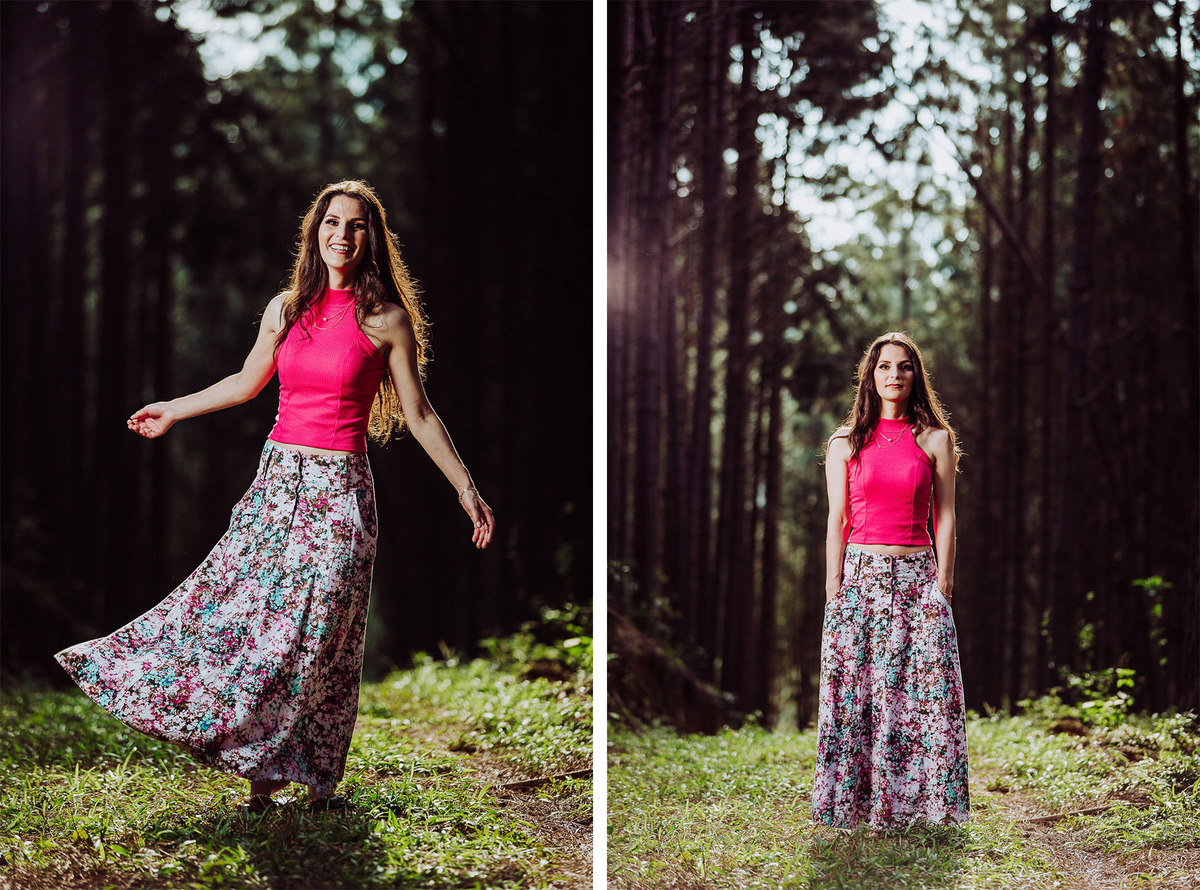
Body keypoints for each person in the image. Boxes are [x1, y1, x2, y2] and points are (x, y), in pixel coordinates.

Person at [56, 180, 495, 814]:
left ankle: (309, 771)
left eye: (357, 225)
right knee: (248, 621)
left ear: (372, 239)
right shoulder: (286, 309)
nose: (342, 234)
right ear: (316, 232)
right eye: (332, 222)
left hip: (341, 496)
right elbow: (245, 382)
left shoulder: (386, 319)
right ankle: (260, 774)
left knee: (317, 636)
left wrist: (465, 487)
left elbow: (419, 414)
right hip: (278, 486)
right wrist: (174, 408)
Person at [812, 331, 969, 831]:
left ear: (915, 375)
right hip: (859, 579)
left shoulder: (935, 440)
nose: (894, 374)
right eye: (884, 366)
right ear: (870, 376)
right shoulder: (845, 442)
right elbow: (838, 518)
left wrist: (943, 584)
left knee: (924, 692)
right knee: (856, 692)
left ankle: (925, 810)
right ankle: (852, 808)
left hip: (919, 577)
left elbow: (946, 516)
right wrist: (834, 589)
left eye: (903, 366)